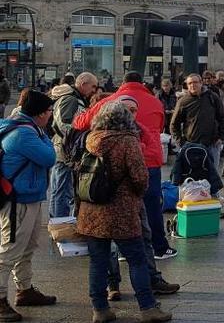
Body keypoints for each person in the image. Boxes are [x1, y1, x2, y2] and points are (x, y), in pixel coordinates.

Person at [78, 101, 173, 323]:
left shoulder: (91, 139)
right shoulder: (128, 141)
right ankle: (148, 308)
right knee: (137, 259)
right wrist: (136, 192)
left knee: (97, 261)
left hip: (92, 210)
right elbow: (140, 178)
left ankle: (100, 309)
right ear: (126, 120)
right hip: (121, 210)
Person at [73, 72, 179, 262]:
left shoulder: (111, 100)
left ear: (123, 83)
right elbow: (162, 125)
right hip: (150, 159)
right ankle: (159, 247)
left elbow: (80, 123)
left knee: (121, 205)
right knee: (152, 205)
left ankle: (123, 249)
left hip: (117, 160)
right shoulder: (155, 102)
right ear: (142, 83)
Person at [0, 91, 58, 321]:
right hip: (19, 200)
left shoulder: (26, 128)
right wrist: (44, 134)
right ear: (41, 114)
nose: (51, 116)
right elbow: (49, 157)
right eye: (49, 112)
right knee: (9, 250)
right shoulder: (25, 133)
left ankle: (24, 290)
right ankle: (1, 298)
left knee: (27, 247)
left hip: (28, 196)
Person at [49, 71, 98, 218]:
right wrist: (81, 138)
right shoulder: (71, 99)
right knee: (62, 190)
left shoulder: (74, 98)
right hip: (65, 151)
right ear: (83, 84)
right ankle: (60, 223)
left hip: (64, 149)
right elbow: (63, 125)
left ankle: (58, 222)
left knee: (61, 189)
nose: (94, 90)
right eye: (93, 86)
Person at [170, 73, 224, 167]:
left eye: (195, 82)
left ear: (201, 83)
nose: (193, 85)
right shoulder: (183, 101)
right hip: (192, 144)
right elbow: (174, 124)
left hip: (212, 144)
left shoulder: (212, 97)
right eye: (190, 83)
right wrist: (181, 142)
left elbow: (222, 117)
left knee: (213, 176)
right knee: (194, 176)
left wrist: (221, 137)